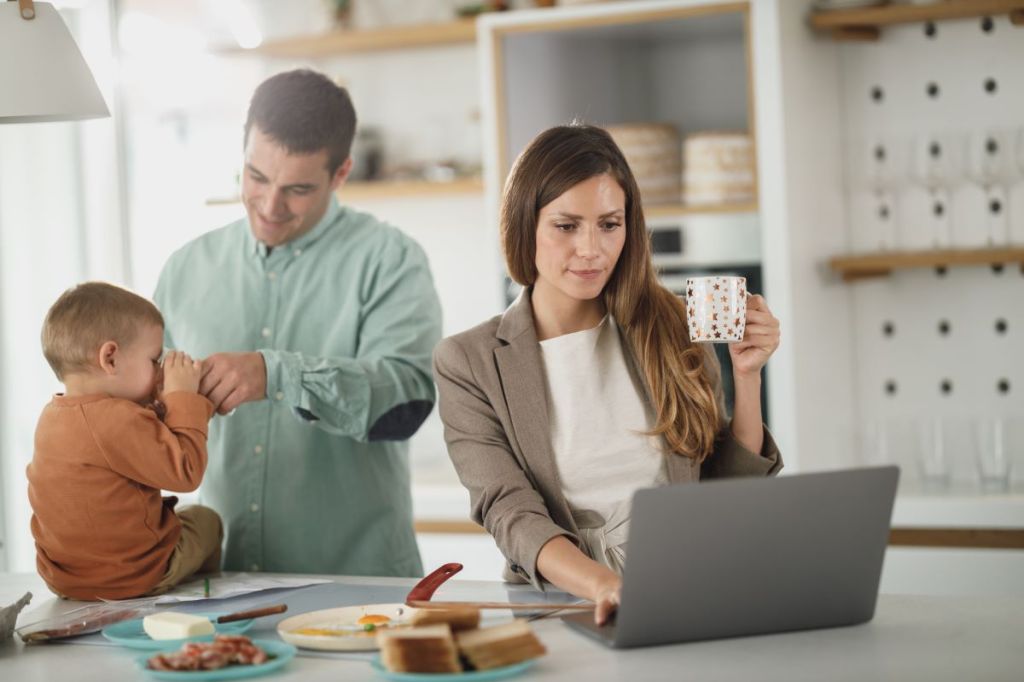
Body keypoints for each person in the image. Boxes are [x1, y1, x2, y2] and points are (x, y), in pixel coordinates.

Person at [433, 124, 782, 624]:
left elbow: (724, 491)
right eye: (567, 225)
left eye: (609, 224)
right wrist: (608, 586)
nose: (591, 250)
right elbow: (511, 513)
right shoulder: (469, 361)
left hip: (690, 586)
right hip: (560, 605)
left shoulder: (672, 325)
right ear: (523, 224)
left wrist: (747, 376)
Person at [154, 69, 442, 577]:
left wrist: (279, 375)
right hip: (221, 587)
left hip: (359, 588)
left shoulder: (391, 259)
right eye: (256, 177)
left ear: (341, 174)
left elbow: (409, 398)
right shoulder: (185, 269)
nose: (269, 206)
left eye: (298, 189)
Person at [27, 282, 220, 600]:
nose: (159, 371)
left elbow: (126, 450)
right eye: (154, 360)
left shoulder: (52, 417)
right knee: (206, 520)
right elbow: (185, 472)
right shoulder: (117, 418)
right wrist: (184, 396)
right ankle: (206, 595)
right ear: (111, 358)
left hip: (66, 579)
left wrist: (162, 405)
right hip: (132, 577)